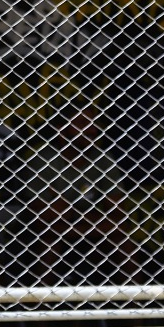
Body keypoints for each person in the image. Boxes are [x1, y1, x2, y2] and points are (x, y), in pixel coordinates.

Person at [20, 99, 141, 285]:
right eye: (83, 124)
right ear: (62, 131)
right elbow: (43, 217)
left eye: (93, 124)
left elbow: (118, 214)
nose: (92, 130)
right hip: (54, 231)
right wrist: (94, 217)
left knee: (122, 238)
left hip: (84, 228)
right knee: (49, 240)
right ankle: (40, 306)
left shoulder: (103, 159)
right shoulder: (43, 159)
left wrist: (70, 213)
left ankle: (138, 304)